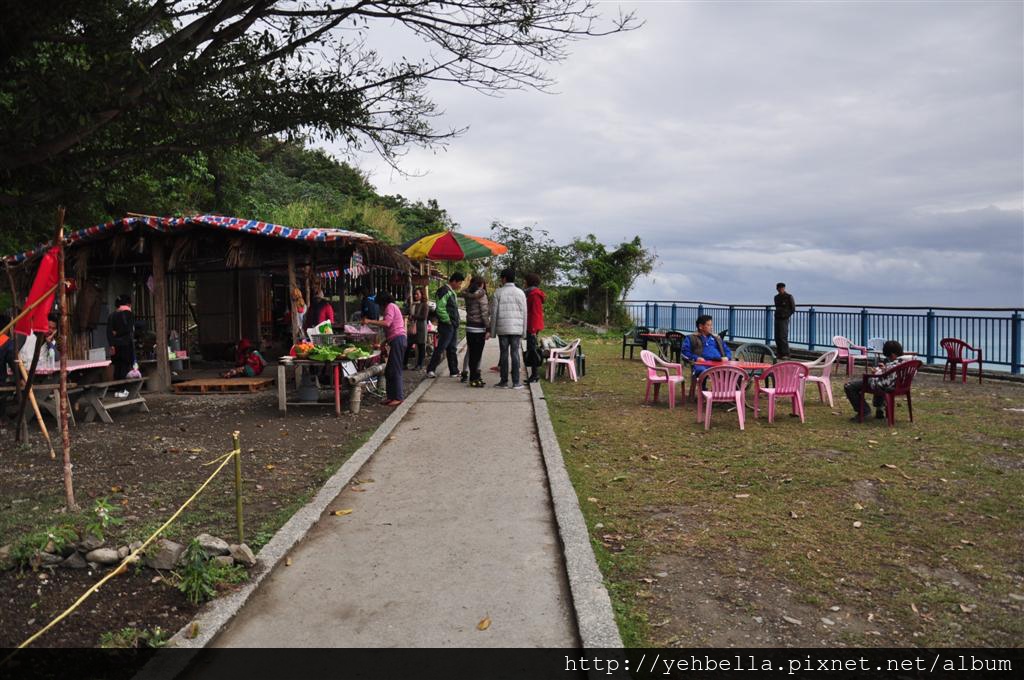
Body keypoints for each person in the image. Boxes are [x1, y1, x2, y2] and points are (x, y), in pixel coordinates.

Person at [844, 340, 908, 421]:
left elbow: (880, 375)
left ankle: (864, 411)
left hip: (885, 386)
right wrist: (884, 368)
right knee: (880, 383)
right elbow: (891, 373)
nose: (888, 359)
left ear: (892, 355)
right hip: (900, 386)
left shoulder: (892, 365)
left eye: (888, 357)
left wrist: (876, 371)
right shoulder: (910, 361)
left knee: (849, 386)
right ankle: (879, 408)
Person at [363, 292, 406, 406]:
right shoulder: (391, 307)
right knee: (389, 371)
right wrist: (384, 342)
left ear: (382, 302)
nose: (380, 308)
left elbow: (387, 323)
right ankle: (391, 396)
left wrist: (369, 321)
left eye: (379, 304)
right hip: (395, 340)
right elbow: (391, 327)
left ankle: (398, 397)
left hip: (398, 340)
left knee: (395, 369)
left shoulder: (390, 306)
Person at [489, 268, 527, 389]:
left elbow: (494, 313)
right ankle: (516, 382)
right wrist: (523, 332)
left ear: (504, 278)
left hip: (503, 329)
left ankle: (503, 381)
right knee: (515, 353)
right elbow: (525, 314)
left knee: (504, 354)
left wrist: (492, 331)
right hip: (516, 329)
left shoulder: (498, 292)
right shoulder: (521, 293)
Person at [425, 272, 465, 378]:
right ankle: (431, 369)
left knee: (452, 348)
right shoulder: (444, 291)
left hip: (452, 325)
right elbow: (440, 308)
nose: (460, 286)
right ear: (454, 281)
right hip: (447, 325)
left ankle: (454, 371)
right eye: (459, 283)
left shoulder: (450, 292)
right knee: (441, 347)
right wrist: (448, 320)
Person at [462, 275, 490, 387]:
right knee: (477, 355)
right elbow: (484, 313)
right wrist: (488, 328)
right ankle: (474, 378)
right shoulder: (482, 295)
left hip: (470, 327)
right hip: (479, 328)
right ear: (482, 284)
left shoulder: (467, 294)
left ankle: (474, 377)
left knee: (472, 353)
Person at [523, 272, 546, 383]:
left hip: (533, 326)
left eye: (525, 281)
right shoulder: (532, 293)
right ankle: (534, 374)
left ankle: (535, 374)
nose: (524, 283)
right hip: (532, 325)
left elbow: (535, 313)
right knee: (531, 349)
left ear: (529, 282)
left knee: (532, 350)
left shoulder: (534, 294)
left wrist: (532, 329)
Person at [106, 294, 136, 380]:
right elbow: (129, 328)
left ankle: (117, 386)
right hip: (126, 344)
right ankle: (124, 387)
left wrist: (111, 344)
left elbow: (109, 332)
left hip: (115, 345)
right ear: (128, 304)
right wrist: (118, 332)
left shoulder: (111, 316)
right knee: (125, 368)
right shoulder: (129, 314)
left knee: (117, 367)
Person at [404, 287, 429, 370]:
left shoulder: (424, 305)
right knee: (408, 345)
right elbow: (408, 313)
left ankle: (419, 365)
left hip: (421, 327)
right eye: (415, 294)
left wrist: (413, 316)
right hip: (412, 327)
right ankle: (404, 364)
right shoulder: (413, 304)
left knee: (421, 346)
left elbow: (424, 317)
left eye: (417, 294)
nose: (415, 296)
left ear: (422, 295)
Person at [774, 282, 795, 359]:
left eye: (782, 288)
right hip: (777, 318)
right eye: (779, 288)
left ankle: (786, 354)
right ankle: (779, 353)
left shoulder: (789, 297)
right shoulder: (776, 297)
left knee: (783, 336)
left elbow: (793, 309)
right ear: (777, 289)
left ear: (784, 288)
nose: (780, 289)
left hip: (784, 319)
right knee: (777, 336)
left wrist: (786, 316)